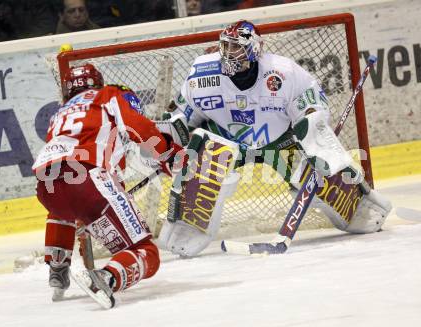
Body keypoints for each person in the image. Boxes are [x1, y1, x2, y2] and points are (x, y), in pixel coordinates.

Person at [158, 20, 392, 257]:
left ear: (255, 48)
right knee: (205, 155)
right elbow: (180, 116)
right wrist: (171, 142)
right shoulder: (202, 74)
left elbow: (312, 103)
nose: (230, 53)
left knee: (317, 176)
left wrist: (314, 134)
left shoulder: (283, 72)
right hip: (226, 139)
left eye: (236, 47)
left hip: (278, 142)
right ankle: (186, 225)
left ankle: (361, 206)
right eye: (226, 47)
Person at [32, 64, 188, 308]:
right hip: (89, 183)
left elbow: (68, 172)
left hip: (46, 187)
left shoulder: (59, 113)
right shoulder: (108, 95)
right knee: (147, 252)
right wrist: (169, 154)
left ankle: (58, 265)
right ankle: (106, 278)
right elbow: (140, 128)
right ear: (98, 82)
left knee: (64, 207)